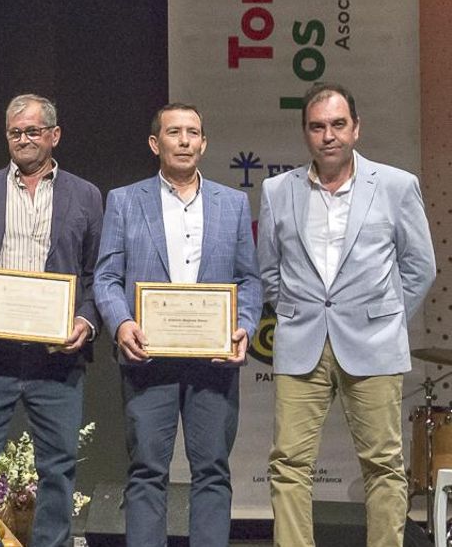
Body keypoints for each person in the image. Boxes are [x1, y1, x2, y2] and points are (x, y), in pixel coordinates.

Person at [258, 82, 437, 547]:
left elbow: (420, 266)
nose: (329, 135)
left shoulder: (396, 186)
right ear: (306, 134)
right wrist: (298, 314)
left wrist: (386, 317)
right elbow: (269, 271)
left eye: (338, 124)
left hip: (374, 344)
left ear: (356, 128)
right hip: (303, 344)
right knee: (289, 465)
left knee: (382, 464)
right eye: (317, 127)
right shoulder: (278, 190)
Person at [0, 93, 103, 547]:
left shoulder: (85, 196)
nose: (23, 140)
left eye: (32, 131)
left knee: (59, 467)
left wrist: (85, 321)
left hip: (57, 357)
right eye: (15, 132)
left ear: (54, 135)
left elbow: (96, 275)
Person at [92, 103, 260, 547]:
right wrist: (121, 323)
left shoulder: (234, 204)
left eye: (193, 133)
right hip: (148, 357)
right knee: (147, 470)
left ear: (203, 143)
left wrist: (243, 325)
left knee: (212, 471)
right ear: (155, 143)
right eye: (174, 132)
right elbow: (106, 277)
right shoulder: (125, 201)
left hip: (213, 359)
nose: (184, 140)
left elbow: (249, 279)